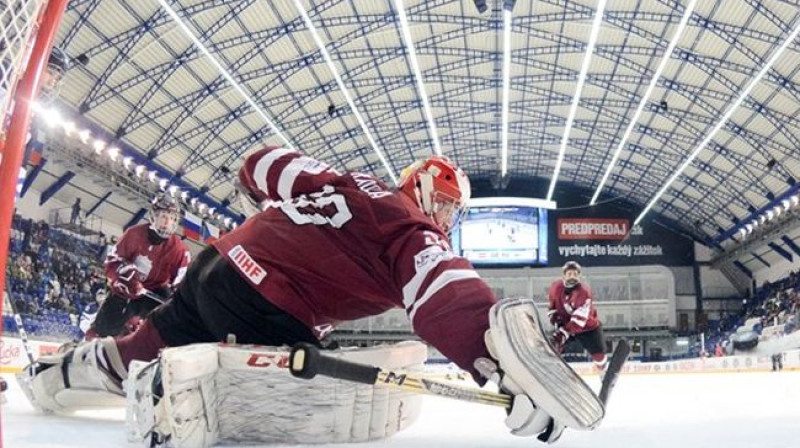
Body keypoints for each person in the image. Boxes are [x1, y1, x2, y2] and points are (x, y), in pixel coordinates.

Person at [23, 149, 605, 444]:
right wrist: (497, 354)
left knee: (146, 340)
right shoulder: (410, 228)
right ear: (423, 187)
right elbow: (441, 289)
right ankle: (171, 391)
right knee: (296, 396)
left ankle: (63, 375)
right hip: (266, 304)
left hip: (214, 264)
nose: (447, 217)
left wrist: (266, 212)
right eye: (448, 204)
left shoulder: (344, 179)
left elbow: (263, 164)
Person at [84, 193, 190, 339]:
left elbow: (181, 280)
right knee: (103, 330)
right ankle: (94, 341)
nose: (167, 222)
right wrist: (122, 276)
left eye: (172, 218)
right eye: (164, 216)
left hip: (156, 292)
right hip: (127, 288)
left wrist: (177, 297)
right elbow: (112, 262)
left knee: (168, 325)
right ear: (153, 216)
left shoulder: (179, 249)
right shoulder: (133, 234)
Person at [547, 261, 608, 373]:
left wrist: (562, 333)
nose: (572, 277)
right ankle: (553, 370)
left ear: (579, 276)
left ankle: (603, 371)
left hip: (588, 327)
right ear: (563, 276)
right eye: (569, 274)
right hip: (566, 324)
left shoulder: (584, 292)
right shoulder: (555, 287)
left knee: (599, 356)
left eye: (575, 274)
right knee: (554, 345)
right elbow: (552, 305)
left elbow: (578, 322)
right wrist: (555, 318)